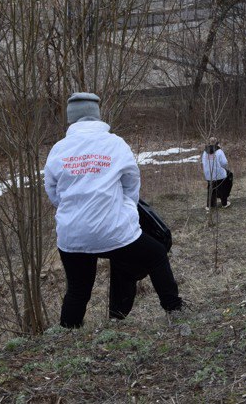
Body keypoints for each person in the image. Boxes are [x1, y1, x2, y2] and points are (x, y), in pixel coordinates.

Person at [44, 92, 183, 328]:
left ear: (71, 118)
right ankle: (174, 310)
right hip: (114, 230)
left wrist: (74, 211)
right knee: (157, 254)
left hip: (72, 234)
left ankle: (67, 337)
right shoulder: (115, 144)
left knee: (78, 290)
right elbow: (132, 182)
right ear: (97, 115)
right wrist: (125, 208)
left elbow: (52, 190)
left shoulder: (59, 149)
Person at [202, 137, 231, 210]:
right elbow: (224, 163)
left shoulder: (205, 151)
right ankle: (224, 203)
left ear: (209, 142)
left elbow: (203, 162)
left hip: (208, 174)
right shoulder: (219, 151)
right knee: (223, 187)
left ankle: (210, 205)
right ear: (217, 143)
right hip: (219, 174)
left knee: (211, 189)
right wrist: (223, 168)